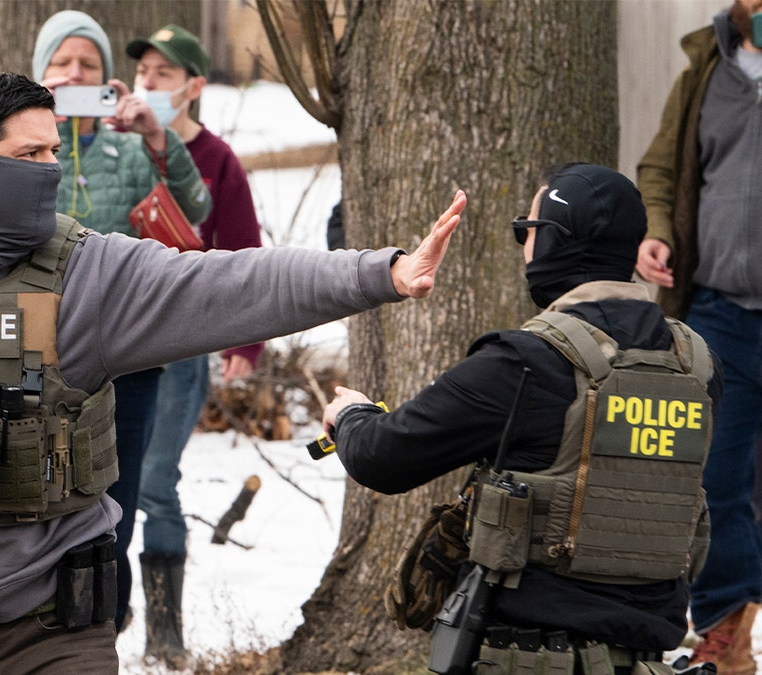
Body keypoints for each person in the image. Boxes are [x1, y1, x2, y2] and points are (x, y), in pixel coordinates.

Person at [0, 68, 467, 674]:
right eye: (28, 155)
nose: (51, 171)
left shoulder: (91, 277)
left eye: (54, 150)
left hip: (57, 635)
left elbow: (238, 283)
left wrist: (382, 272)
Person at [323, 164, 720, 673]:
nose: (524, 247)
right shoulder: (698, 365)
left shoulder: (524, 362)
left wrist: (351, 415)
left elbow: (382, 456)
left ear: (553, 239)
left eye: (525, 231)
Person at [31, 10, 214, 635]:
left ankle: (104, 628)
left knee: (118, 504)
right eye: (61, 63)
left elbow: (196, 209)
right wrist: (27, 126)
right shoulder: (17, 150)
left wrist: (158, 138)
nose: (75, 74)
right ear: (40, 72)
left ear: (108, 79)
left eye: (88, 65)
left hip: (126, 361)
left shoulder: (131, 148)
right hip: (36, 360)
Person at [124, 23, 264, 665]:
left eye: (165, 73)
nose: (150, 82)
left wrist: (246, 342)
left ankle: (166, 636)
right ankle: (105, 606)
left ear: (194, 86)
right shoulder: (117, 146)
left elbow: (244, 255)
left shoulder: (216, 159)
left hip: (181, 344)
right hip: (113, 338)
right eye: (143, 71)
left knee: (155, 480)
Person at [635, 2, 762, 671]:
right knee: (711, 480)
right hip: (718, 312)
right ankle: (726, 637)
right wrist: (657, 230)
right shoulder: (705, 70)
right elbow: (661, 170)